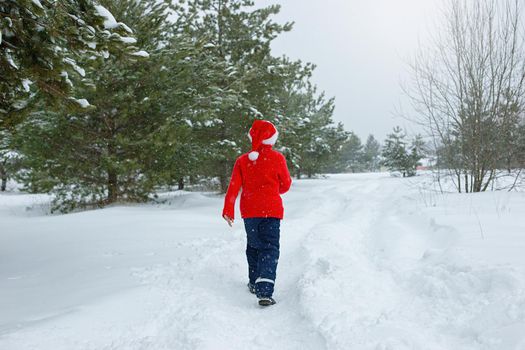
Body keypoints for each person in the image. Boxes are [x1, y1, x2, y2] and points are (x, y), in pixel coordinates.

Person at [222, 119, 292, 306]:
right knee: (270, 247)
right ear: (271, 139)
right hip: (272, 211)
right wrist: (272, 189)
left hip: (250, 212)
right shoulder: (278, 158)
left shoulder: (243, 161)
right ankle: (265, 290)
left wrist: (228, 209)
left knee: (254, 245)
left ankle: (254, 281)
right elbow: (285, 185)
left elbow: (234, 187)